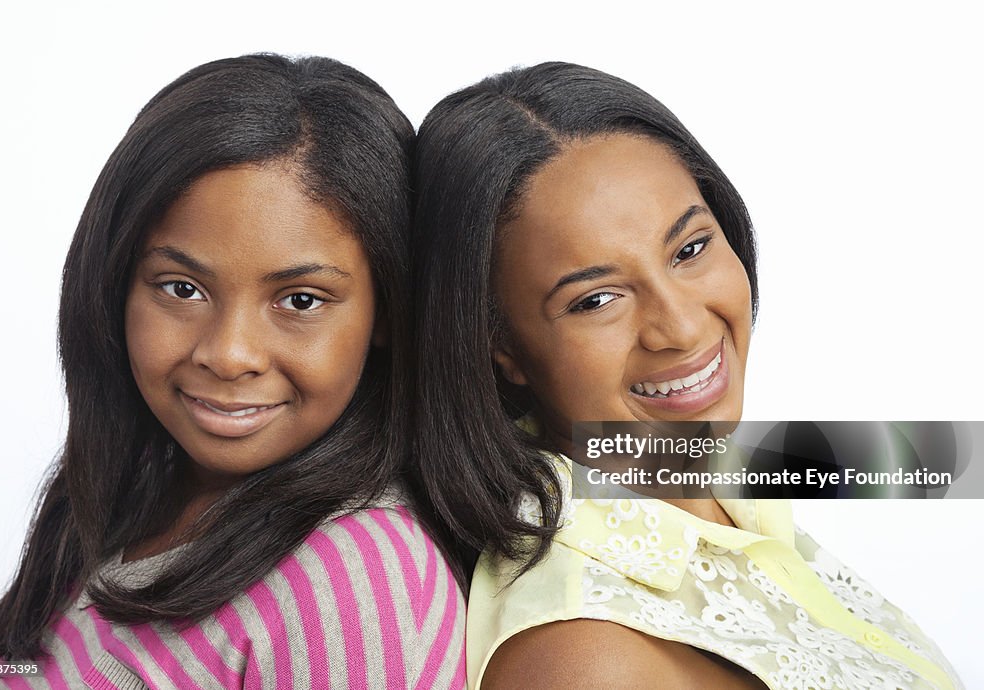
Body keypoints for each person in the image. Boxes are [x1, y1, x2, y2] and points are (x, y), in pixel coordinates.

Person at [410, 62, 962, 689]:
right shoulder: (585, 658)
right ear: (497, 347)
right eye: (596, 300)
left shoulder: (724, 489)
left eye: (690, 249)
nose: (682, 327)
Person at [0, 54, 465, 689]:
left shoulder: (354, 585)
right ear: (116, 282)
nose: (229, 354)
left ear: (386, 313)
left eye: (301, 301)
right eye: (181, 288)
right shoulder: (140, 475)